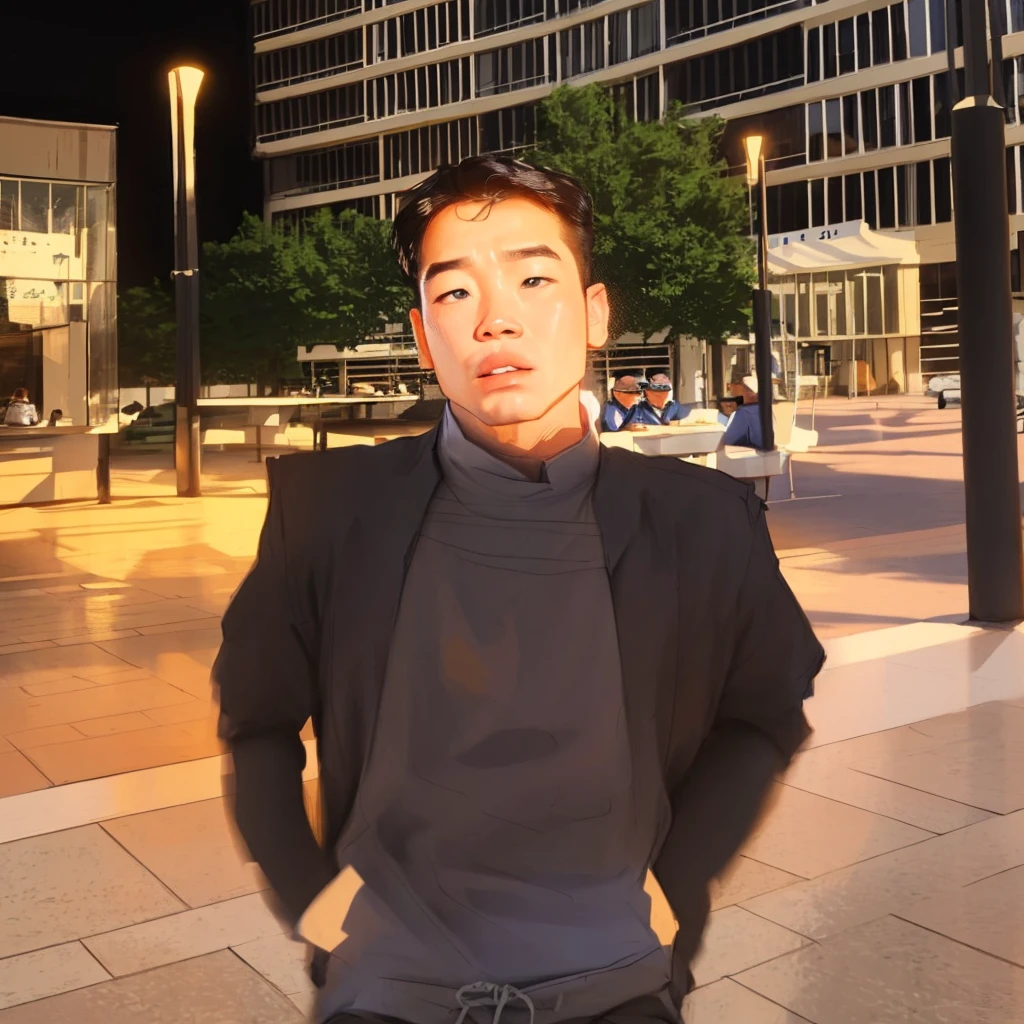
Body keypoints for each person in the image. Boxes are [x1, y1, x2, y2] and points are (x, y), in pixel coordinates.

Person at [213, 155, 824, 1024]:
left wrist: (675, 885)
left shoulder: (704, 521)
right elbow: (258, 723)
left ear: (594, 312)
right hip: (388, 991)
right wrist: (316, 906)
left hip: (618, 981)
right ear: (424, 337)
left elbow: (766, 708)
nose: (495, 320)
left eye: (534, 277)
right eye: (454, 293)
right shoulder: (326, 512)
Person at [720, 376, 765, 449]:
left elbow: (728, 440)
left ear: (750, 393)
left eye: (742, 389)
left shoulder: (745, 412)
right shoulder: (763, 409)